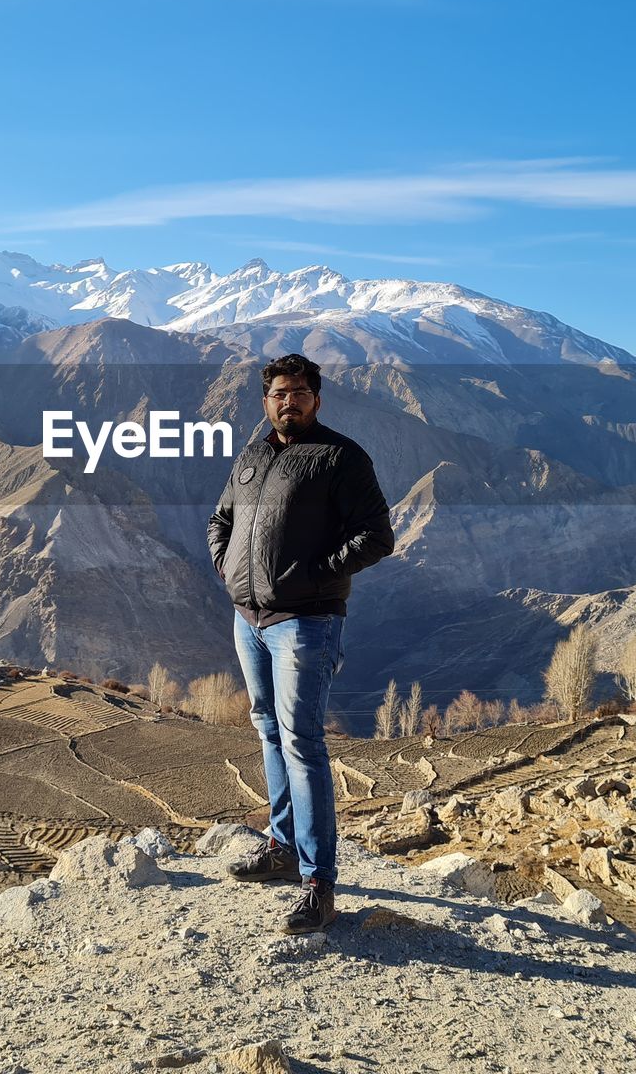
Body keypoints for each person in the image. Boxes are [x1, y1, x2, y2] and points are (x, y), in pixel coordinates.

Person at [206, 353, 394, 933]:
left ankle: (319, 883)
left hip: (306, 622)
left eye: (300, 393)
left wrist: (318, 576)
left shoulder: (341, 457)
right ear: (266, 401)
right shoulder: (254, 455)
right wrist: (227, 566)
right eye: (279, 393)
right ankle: (282, 845)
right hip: (249, 619)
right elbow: (221, 519)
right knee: (267, 727)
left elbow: (377, 535)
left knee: (303, 742)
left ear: (317, 399)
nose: (289, 401)